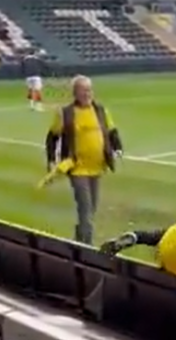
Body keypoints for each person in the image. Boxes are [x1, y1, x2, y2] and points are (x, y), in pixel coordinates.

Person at [44, 75, 123, 244]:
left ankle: (78, 241)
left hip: (97, 167)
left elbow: (112, 132)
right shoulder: (66, 113)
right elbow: (52, 137)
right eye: (84, 90)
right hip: (77, 168)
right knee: (86, 209)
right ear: (76, 93)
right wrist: (51, 160)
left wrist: (118, 149)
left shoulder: (100, 110)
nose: (88, 93)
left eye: (90, 90)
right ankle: (87, 247)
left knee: (91, 209)